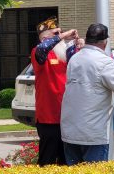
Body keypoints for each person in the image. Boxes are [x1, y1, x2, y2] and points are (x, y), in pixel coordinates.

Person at [60, 23, 114, 166]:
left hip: (70, 131)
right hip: (92, 134)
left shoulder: (75, 59)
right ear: (105, 42)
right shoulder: (104, 62)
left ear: (87, 39)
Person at [31, 16, 83, 166]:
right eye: (56, 34)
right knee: (47, 161)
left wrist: (78, 44)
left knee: (66, 161)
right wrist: (64, 35)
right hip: (49, 117)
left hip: (66, 116)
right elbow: (42, 49)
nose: (60, 37)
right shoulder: (39, 52)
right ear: (45, 39)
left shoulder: (62, 54)